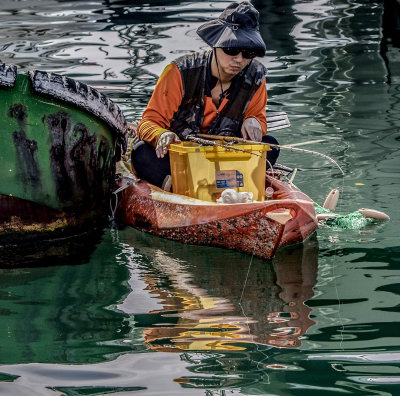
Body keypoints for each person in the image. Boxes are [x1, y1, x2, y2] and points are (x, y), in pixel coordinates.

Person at [132, 1, 279, 188]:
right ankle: (177, 182)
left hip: (224, 157)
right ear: (214, 46)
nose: (239, 59)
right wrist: (161, 135)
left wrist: (254, 120)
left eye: (248, 52)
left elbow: (259, 119)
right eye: (231, 49)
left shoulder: (256, 77)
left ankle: (219, 182)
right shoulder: (179, 72)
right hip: (180, 160)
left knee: (270, 145)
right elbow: (147, 123)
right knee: (141, 152)